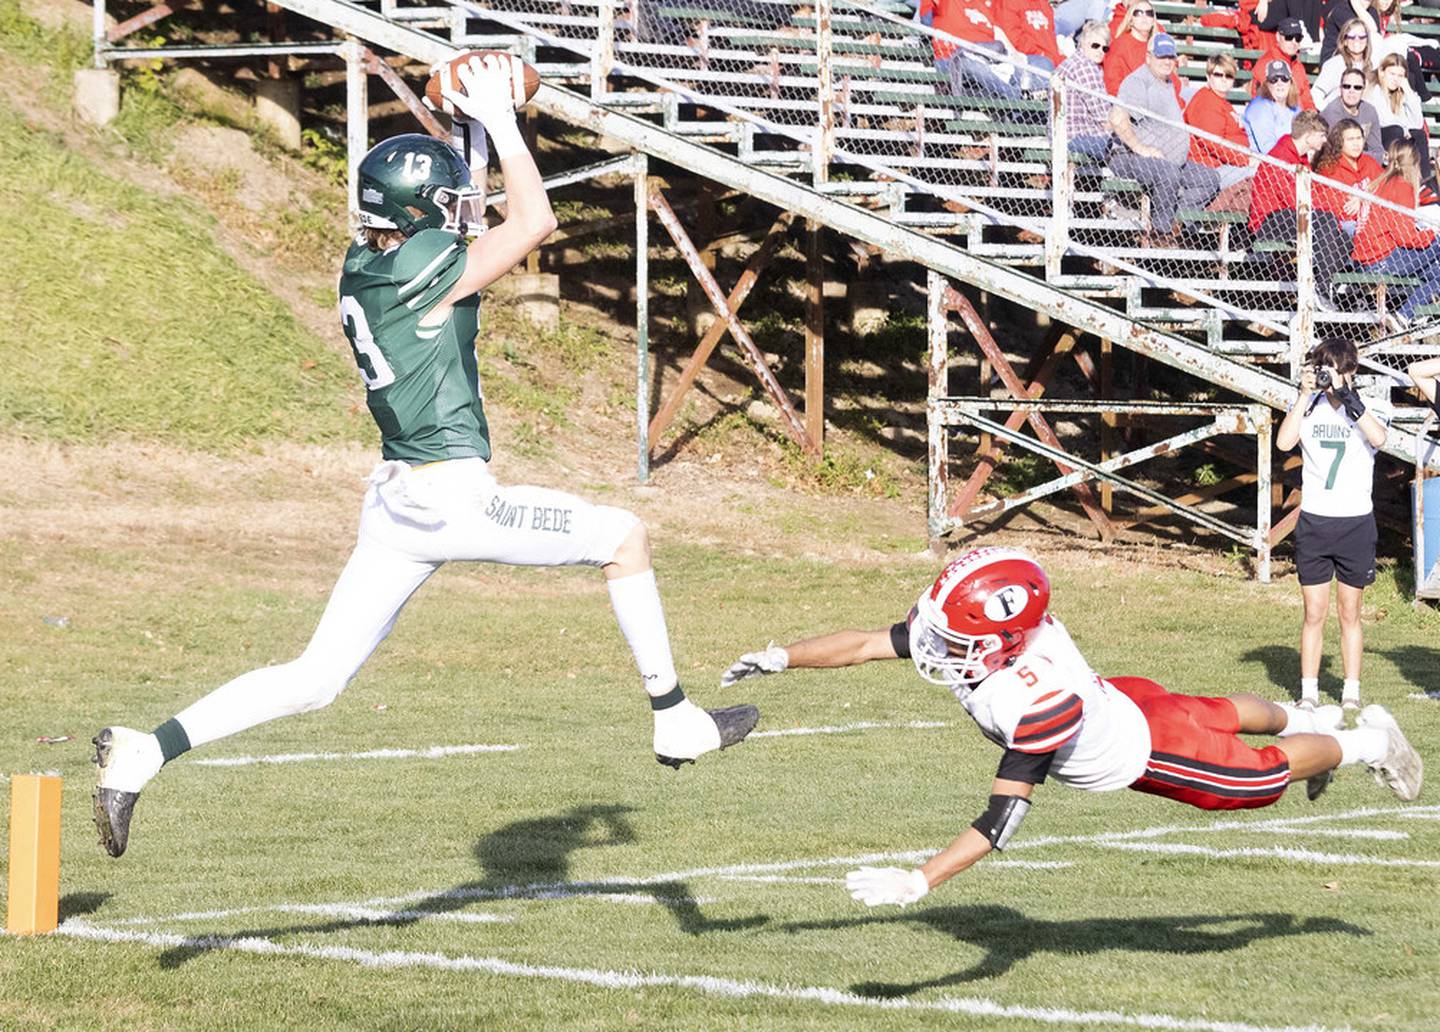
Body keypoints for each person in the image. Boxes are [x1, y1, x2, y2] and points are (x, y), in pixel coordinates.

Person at [90, 54, 760, 859]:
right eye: (446, 200)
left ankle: (147, 750)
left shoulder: (369, 261)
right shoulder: (417, 265)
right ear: (419, 213)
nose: (460, 208)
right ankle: (676, 720)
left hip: (397, 500)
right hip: (451, 498)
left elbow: (465, 226)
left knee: (316, 677)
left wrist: (471, 130)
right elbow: (532, 223)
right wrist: (505, 122)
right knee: (624, 537)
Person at [719, 546, 1422, 908]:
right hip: (1125, 700)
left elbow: (1000, 821)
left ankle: (1367, 741)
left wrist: (921, 880)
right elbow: (869, 642)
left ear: (1001, 639)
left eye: (953, 636)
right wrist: (783, 657)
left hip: (1144, 751)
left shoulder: (1035, 704)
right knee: (1220, 709)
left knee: (1259, 776)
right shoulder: (1010, 639)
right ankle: (1313, 717)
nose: (934, 647)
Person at [1276, 339, 1391, 712]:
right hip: (1316, 521)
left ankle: (1350, 692)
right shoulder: (1310, 409)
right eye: (1325, 368)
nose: (1331, 376)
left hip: (1355, 523)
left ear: (1351, 370)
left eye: (1338, 369)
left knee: (1350, 612)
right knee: (1314, 612)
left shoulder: (1367, 409)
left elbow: (1379, 438)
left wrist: (1350, 399)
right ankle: (1308, 692)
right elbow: (1284, 442)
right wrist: (1304, 394)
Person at [1108, 34, 1220, 241]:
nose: (1167, 62)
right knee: (1167, 173)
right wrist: (1140, 148)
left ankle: (1178, 225)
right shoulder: (1138, 81)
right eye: (1162, 57)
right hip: (1128, 156)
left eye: (1171, 57)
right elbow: (1117, 118)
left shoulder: (1168, 82)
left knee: (1209, 179)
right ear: (1149, 57)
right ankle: (1161, 232)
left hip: (1170, 161)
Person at [1247, 109, 1355, 304]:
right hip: (1268, 221)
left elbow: (1310, 198)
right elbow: (1294, 200)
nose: (1324, 141)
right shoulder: (1280, 156)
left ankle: (1323, 286)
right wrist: (1327, 212)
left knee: (1344, 237)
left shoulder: (1302, 159)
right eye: (1322, 135)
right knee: (1326, 221)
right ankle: (1322, 290)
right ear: (1309, 135)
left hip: (1292, 216)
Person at [1352, 139, 1440, 326]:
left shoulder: (1383, 180)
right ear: (1415, 163)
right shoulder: (1402, 186)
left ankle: (1404, 315)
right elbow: (1406, 237)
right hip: (1380, 261)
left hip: (1370, 259)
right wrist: (1432, 234)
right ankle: (1409, 314)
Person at [922, 0, 1027, 102]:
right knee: (968, 62)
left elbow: (998, 33)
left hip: (988, 57)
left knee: (1023, 64)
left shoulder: (981, 5)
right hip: (953, 60)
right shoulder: (946, 3)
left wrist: (1016, 55)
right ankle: (1018, 96)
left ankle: (1018, 100)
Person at [1185, 54, 1256, 191]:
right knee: (1260, 174)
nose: (1224, 80)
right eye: (1218, 75)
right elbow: (1214, 143)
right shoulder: (1207, 102)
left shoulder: (1222, 102)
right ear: (1208, 76)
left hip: (1229, 163)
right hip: (1211, 169)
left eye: (1228, 76)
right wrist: (1245, 160)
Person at [1366, 53, 1433, 187]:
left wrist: (1408, 90)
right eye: (1392, 74)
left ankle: (1425, 184)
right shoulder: (1374, 90)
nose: (1396, 79)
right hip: (1373, 139)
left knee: (1418, 134)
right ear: (1382, 72)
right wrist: (1404, 129)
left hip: (1395, 136)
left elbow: (1417, 123)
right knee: (1396, 130)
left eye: (1400, 76)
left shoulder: (1399, 93)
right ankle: (1394, 181)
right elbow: (1385, 120)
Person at [1054, 19, 1114, 159]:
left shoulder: (1074, 61)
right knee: (1128, 143)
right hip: (1077, 137)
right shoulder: (1085, 67)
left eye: (1105, 48)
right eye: (1095, 45)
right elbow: (1103, 116)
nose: (1100, 51)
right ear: (1082, 43)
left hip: (1065, 134)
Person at [1313, 117, 1384, 234]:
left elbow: (1386, 185)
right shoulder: (1330, 168)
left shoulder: (1368, 161)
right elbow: (1344, 210)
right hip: (1347, 225)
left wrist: (1362, 197)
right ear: (1339, 141)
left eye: (1359, 138)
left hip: (1373, 219)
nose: (1356, 144)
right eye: (1350, 139)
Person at [1103, 0, 1177, 96]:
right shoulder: (1119, 45)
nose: (1144, 16)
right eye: (1138, 13)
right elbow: (1113, 84)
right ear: (1130, 20)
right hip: (1132, 102)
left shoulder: (1157, 44)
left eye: (1149, 13)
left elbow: (1173, 81)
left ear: (1153, 21)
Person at [1321, 66, 1386, 164]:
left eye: (1357, 87)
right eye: (1347, 86)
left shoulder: (1369, 111)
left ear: (1363, 90)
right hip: (1335, 163)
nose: (1352, 91)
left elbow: (1378, 151)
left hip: (1362, 162)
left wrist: (1378, 158)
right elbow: (1340, 152)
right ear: (1340, 88)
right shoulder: (1332, 112)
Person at [1250, 18, 1318, 110]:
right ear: (1278, 37)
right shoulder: (1267, 64)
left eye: (1298, 38)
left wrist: (1312, 118)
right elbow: (1264, 102)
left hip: (1299, 119)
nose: (1294, 42)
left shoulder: (1298, 65)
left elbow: (1307, 100)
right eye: (1289, 37)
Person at [1245, 59, 1303, 156]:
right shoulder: (1259, 107)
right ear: (1267, 84)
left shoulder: (1296, 109)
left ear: (1291, 82)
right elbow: (1268, 148)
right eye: (1274, 80)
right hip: (1263, 165)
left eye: (1284, 78)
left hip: (1291, 162)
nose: (1279, 83)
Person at [1314, 18, 1376, 107]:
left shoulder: (1371, 65)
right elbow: (1316, 93)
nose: (1357, 40)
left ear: (1367, 41)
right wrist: (1329, 115)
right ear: (1345, 41)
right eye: (1351, 36)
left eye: (1362, 36)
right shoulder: (1335, 64)